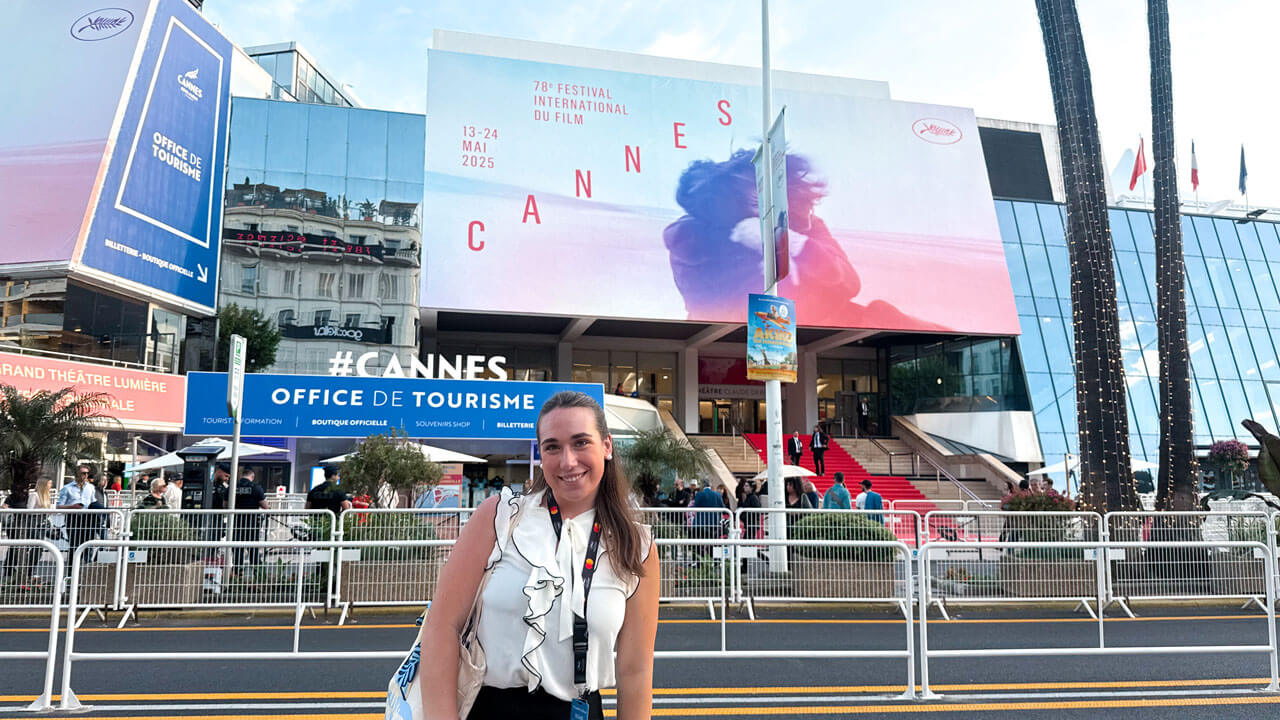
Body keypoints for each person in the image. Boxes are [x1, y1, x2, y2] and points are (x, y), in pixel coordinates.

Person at [417, 391, 658, 719]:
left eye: (581, 442)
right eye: (553, 447)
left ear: (607, 446)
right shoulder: (499, 517)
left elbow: (636, 671)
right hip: (491, 709)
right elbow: (442, 627)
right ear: (541, 454)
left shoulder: (635, 544)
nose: (568, 461)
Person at [57, 464, 100, 560]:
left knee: (87, 544)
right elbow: (59, 506)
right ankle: (71, 570)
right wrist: (72, 507)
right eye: (83, 473)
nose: (85, 475)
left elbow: (93, 502)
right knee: (74, 545)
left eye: (87, 473)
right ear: (77, 474)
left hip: (88, 518)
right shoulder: (67, 488)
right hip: (73, 518)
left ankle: (84, 569)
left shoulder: (90, 487)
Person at [232, 469, 268, 568]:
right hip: (252, 523)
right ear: (252, 477)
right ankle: (257, 571)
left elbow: (225, 504)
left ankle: (237, 571)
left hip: (237, 522)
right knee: (253, 547)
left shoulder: (233, 487)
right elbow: (265, 506)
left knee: (237, 548)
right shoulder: (256, 488)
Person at [691, 480, 726, 561]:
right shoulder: (717, 495)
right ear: (710, 486)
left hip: (700, 524)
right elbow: (723, 508)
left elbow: (695, 506)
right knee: (713, 544)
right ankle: (715, 560)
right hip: (714, 523)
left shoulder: (699, 494)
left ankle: (698, 561)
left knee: (699, 544)